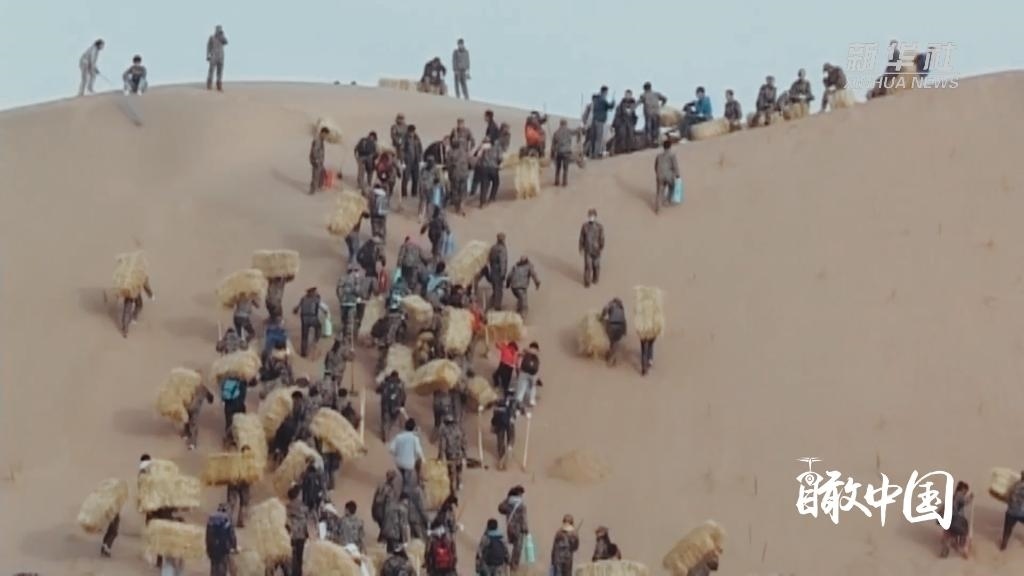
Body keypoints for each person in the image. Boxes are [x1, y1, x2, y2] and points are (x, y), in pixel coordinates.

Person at [498, 486, 529, 571]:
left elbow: (500, 508)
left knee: (509, 544)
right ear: (519, 494)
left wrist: (507, 499)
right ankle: (514, 565)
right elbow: (523, 519)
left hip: (510, 528)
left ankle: (506, 559)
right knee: (517, 548)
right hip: (518, 530)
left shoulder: (509, 503)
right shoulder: (521, 505)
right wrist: (526, 529)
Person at [389, 418, 425, 491]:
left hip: (399, 463)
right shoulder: (415, 438)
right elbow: (418, 451)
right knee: (407, 482)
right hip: (409, 464)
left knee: (404, 476)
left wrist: (397, 454)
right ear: (413, 428)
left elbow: (391, 449)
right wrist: (423, 460)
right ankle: (404, 493)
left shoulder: (398, 437)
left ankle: (404, 485)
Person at [941, 480, 972, 558]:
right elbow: (965, 501)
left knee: (949, 534)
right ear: (962, 489)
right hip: (956, 519)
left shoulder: (952, 496)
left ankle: (946, 549)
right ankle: (965, 550)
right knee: (965, 533)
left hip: (948, 519)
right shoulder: (959, 495)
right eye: (966, 490)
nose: (966, 493)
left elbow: (943, 508)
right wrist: (970, 497)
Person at [205, 503, 238, 576]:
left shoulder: (211, 518)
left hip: (212, 547)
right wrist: (234, 547)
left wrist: (208, 548)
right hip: (223, 548)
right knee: (222, 567)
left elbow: (208, 535)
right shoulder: (227, 519)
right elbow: (231, 535)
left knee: (214, 566)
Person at [438, 414, 467, 493]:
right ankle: (459, 483)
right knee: (459, 470)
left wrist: (440, 457)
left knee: (451, 472)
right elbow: (463, 442)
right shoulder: (458, 430)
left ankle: (452, 489)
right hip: (459, 454)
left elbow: (442, 446)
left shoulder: (445, 432)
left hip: (450, 455)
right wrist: (465, 454)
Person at [377, 370, 407, 441]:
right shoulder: (400, 385)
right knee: (393, 419)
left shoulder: (385, 382)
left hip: (385, 404)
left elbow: (377, 390)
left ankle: (385, 432)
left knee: (384, 419)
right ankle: (387, 429)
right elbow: (404, 396)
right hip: (396, 405)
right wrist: (402, 404)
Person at [286, 484, 309, 576]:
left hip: (291, 535)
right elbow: (305, 521)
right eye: (301, 494)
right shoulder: (302, 507)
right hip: (299, 536)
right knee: (299, 559)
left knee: (291, 558)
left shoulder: (287, 507)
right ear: (298, 495)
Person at [184, 382, 215, 451]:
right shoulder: (202, 387)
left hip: (187, 406)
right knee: (193, 423)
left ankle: (187, 434)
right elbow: (210, 398)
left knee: (187, 419)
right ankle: (192, 443)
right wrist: (210, 400)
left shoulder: (188, 384)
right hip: (195, 407)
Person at [293, 287, 322, 358]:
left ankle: (303, 353)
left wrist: (296, 311)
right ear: (312, 292)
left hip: (304, 319)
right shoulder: (316, 298)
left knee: (304, 336)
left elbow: (296, 309)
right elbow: (318, 307)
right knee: (319, 327)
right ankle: (316, 339)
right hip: (313, 318)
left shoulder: (303, 298)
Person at [578, 209, 605, 287]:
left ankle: (595, 278)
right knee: (588, 266)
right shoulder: (585, 226)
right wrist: (581, 248)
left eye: (592, 216)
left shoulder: (599, 227)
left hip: (596, 250)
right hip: (588, 250)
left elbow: (602, 238)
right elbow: (581, 238)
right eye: (590, 216)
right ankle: (587, 282)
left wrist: (601, 247)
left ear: (595, 216)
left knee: (596, 265)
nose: (591, 217)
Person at [373, 470, 401, 542]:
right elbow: (377, 497)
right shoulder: (383, 486)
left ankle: (382, 537)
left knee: (384, 523)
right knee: (382, 522)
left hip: (384, 507)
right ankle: (382, 537)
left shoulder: (392, 487)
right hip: (380, 507)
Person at [474, 138, 503, 207]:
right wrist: (498, 164)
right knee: (496, 182)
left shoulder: (483, 145)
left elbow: (476, 154)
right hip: (493, 167)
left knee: (484, 185)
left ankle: (482, 202)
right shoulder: (497, 146)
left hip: (484, 167)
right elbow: (500, 158)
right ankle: (492, 198)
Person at [588, 87, 616, 158]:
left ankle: (591, 154)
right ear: (605, 92)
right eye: (607, 92)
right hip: (599, 121)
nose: (607, 94)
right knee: (598, 138)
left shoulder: (596, 100)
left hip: (594, 120)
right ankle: (596, 154)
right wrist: (613, 102)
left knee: (593, 138)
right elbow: (610, 106)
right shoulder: (603, 99)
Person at [492, 395, 517, 469]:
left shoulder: (497, 398)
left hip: (501, 421)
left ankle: (502, 456)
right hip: (508, 420)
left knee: (501, 439)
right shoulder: (512, 399)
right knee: (510, 437)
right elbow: (518, 406)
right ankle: (509, 449)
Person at [654, 139, 679, 213]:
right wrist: (677, 175)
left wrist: (657, 174)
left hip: (659, 175)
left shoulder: (658, 156)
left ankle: (658, 208)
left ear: (663, 147)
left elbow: (655, 166)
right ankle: (668, 200)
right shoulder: (672, 155)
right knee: (673, 186)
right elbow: (675, 166)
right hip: (668, 175)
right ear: (670, 146)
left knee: (659, 192)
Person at [600, 298, 627, 366]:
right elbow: (624, 320)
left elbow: (604, 310)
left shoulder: (610, 305)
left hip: (612, 325)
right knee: (615, 342)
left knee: (612, 342)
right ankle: (613, 357)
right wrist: (624, 331)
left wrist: (601, 318)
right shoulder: (621, 307)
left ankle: (611, 358)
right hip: (620, 325)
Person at [485, 233, 509, 310]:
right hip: (498, 273)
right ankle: (497, 308)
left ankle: (489, 306)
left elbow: (489, 260)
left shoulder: (493, 248)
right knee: (498, 292)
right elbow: (503, 262)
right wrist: (503, 274)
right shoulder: (502, 249)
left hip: (493, 272)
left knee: (495, 290)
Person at [640, 82, 668, 147]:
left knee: (649, 128)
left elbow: (638, 103)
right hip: (656, 113)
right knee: (656, 128)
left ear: (644, 89)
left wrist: (630, 110)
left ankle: (650, 143)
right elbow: (665, 99)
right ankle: (656, 141)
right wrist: (662, 105)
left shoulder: (643, 95)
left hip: (649, 114)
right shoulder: (656, 94)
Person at [610, 89, 638, 155]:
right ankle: (621, 149)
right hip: (622, 122)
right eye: (626, 95)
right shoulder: (621, 104)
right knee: (622, 135)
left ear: (631, 95)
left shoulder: (633, 103)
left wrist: (634, 121)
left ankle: (629, 149)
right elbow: (617, 114)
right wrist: (614, 124)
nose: (628, 96)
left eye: (629, 95)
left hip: (630, 122)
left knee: (630, 135)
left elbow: (633, 114)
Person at [446, 140, 470, 215]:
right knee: (463, 191)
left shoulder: (450, 153)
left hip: (455, 174)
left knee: (455, 191)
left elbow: (448, 165)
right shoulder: (464, 152)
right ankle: (462, 207)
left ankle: (457, 208)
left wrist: (449, 174)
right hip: (464, 174)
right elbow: (469, 161)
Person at [514, 342, 541, 408]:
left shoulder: (527, 353)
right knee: (530, 387)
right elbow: (537, 367)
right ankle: (530, 400)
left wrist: (518, 370)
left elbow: (519, 360)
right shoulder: (534, 355)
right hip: (530, 373)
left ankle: (520, 400)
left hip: (526, 372)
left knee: (523, 386)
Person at [401, 125, 424, 199]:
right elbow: (402, 150)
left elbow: (420, 148)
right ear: (408, 131)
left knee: (415, 177)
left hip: (416, 161)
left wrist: (421, 159)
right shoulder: (405, 138)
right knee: (406, 178)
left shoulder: (416, 138)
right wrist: (402, 161)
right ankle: (404, 194)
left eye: (413, 131)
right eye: (410, 132)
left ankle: (414, 193)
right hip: (407, 161)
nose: (412, 133)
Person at [551, 119, 574, 187]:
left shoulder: (556, 132)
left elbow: (553, 145)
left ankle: (557, 182)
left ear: (560, 124)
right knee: (565, 169)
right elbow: (576, 131)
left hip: (559, 152)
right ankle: (564, 183)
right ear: (566, 124)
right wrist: (581, 128)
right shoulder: (569, 131)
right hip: (567, 152)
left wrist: (552, 155)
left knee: (558, 168)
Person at [206, 25, 228, 91]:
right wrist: (208, 55)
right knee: (211, 71)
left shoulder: (222, 38)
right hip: (213, 56)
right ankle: (209, 84)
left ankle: (219, 85)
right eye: (218, 29)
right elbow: (208, 47)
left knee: (220, 71)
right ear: (215, 30)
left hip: (221, 57)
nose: (219, 31)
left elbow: (226, 42)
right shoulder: (211, 37)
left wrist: (222, 35)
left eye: (220, 30)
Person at [310, 126, 329, 194]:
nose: (326, 136)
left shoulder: (321, 139)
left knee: (322, 173)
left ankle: (319, 186)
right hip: (316, 160)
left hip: (320, 160)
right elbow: (314, 151)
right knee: (315, 175)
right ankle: (312, 190)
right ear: (323, 133)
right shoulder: (317, 140)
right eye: (326, 135)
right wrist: (316, 160)